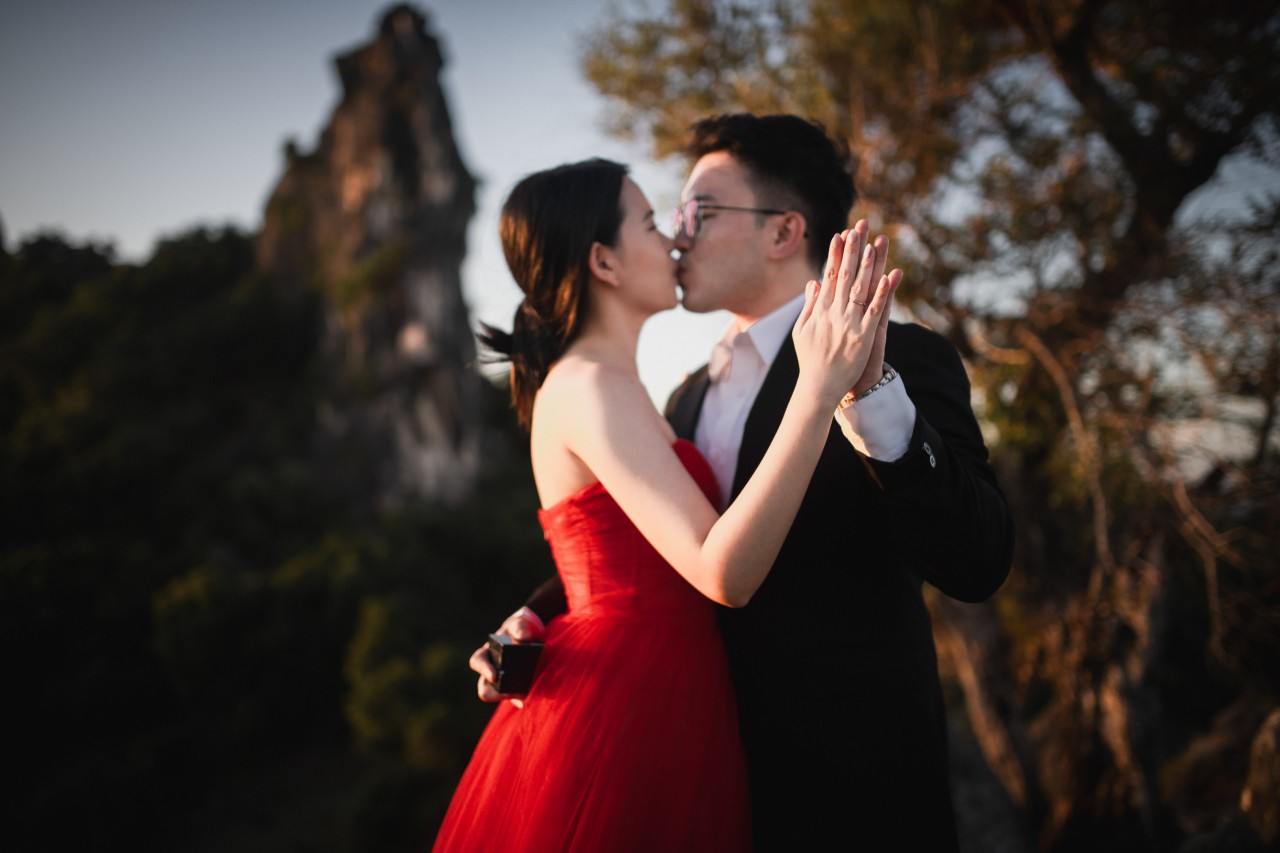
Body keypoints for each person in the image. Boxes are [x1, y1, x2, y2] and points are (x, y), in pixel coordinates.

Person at [471, 114, 1016, 850]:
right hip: (699, 769)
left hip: (855, 787)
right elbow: (654, 547)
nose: (678, 235)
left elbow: (979, 559)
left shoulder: (900, 359)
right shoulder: (683, 397)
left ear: (783, 232)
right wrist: (543, 611)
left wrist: (869, 394)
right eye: (669, 216)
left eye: (699, 212)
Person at [434, 157, 899, 851]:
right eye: (652, 224)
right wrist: (818, 388)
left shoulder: (634, 391)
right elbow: (721, 572)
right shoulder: (590, 386)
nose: (674, 240)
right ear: (604, 262)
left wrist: (537, 610)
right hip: (624, 704)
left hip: (667, 686)